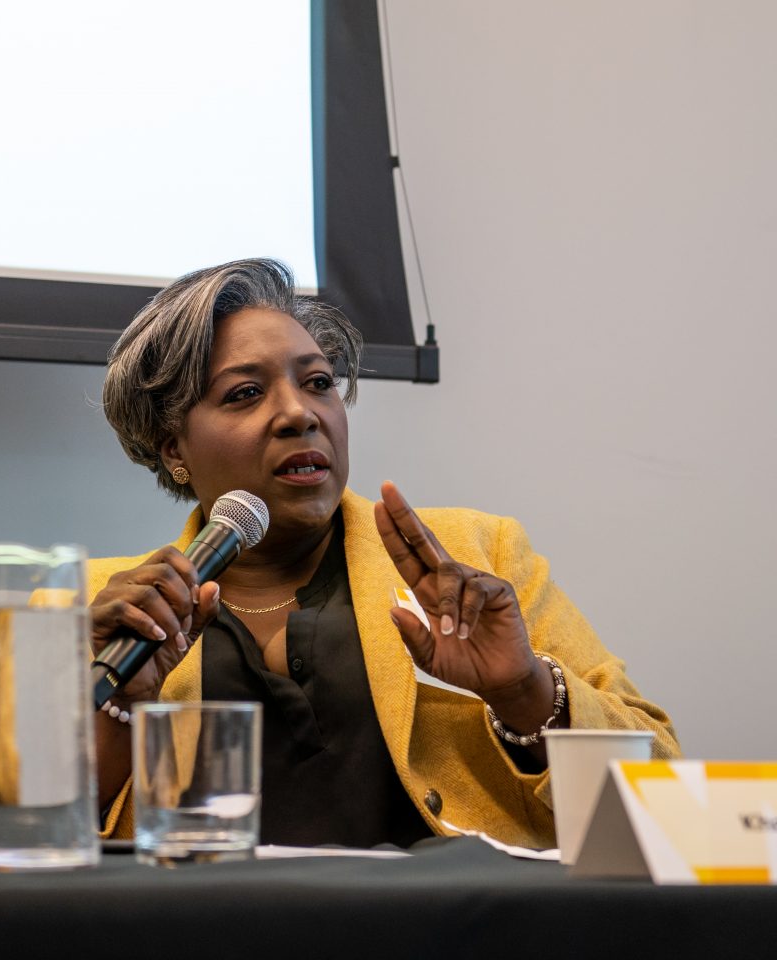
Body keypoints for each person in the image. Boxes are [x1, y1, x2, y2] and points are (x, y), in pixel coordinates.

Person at [92, 258, 677, 849]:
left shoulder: (476, 559)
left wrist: (523, 690)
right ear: (174, 450)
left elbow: (661, 805)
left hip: (448, 931)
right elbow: (14, 835)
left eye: (318, 382)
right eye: (245, 393)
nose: (300, 413)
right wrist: (116, 705)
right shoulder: (103, 612)